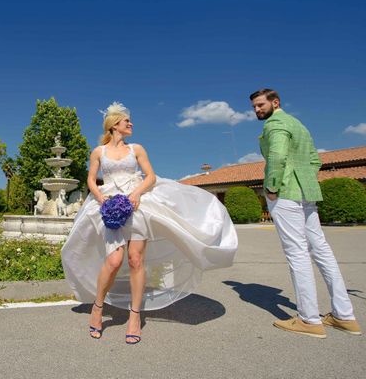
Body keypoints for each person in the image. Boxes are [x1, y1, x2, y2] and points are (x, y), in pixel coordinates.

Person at [61, 102, 238, 344]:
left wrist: (136, 194)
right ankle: (97, 307)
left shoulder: (137, 148)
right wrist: (102, 199)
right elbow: (91, 180)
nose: (131, 124)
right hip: (110, 204)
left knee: (135, 260)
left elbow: (151, 176)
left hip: (137, 204)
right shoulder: (98, 152)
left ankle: (135, 316)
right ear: (114, 125)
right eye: (126, 122)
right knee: (113, 260)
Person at [250, 89, 361, 338]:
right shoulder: (298, 124)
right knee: (322, 251)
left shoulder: (275, 124)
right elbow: (314, 160)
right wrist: (306, 182)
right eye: (254, 107)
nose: (257, 110)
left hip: (285, 192)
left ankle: (309, 320)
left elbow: (277, 155)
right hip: (307, 192)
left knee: (297, 253)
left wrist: (272, 186)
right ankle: (345, 316)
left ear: (275, 102)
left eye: (260, 105)